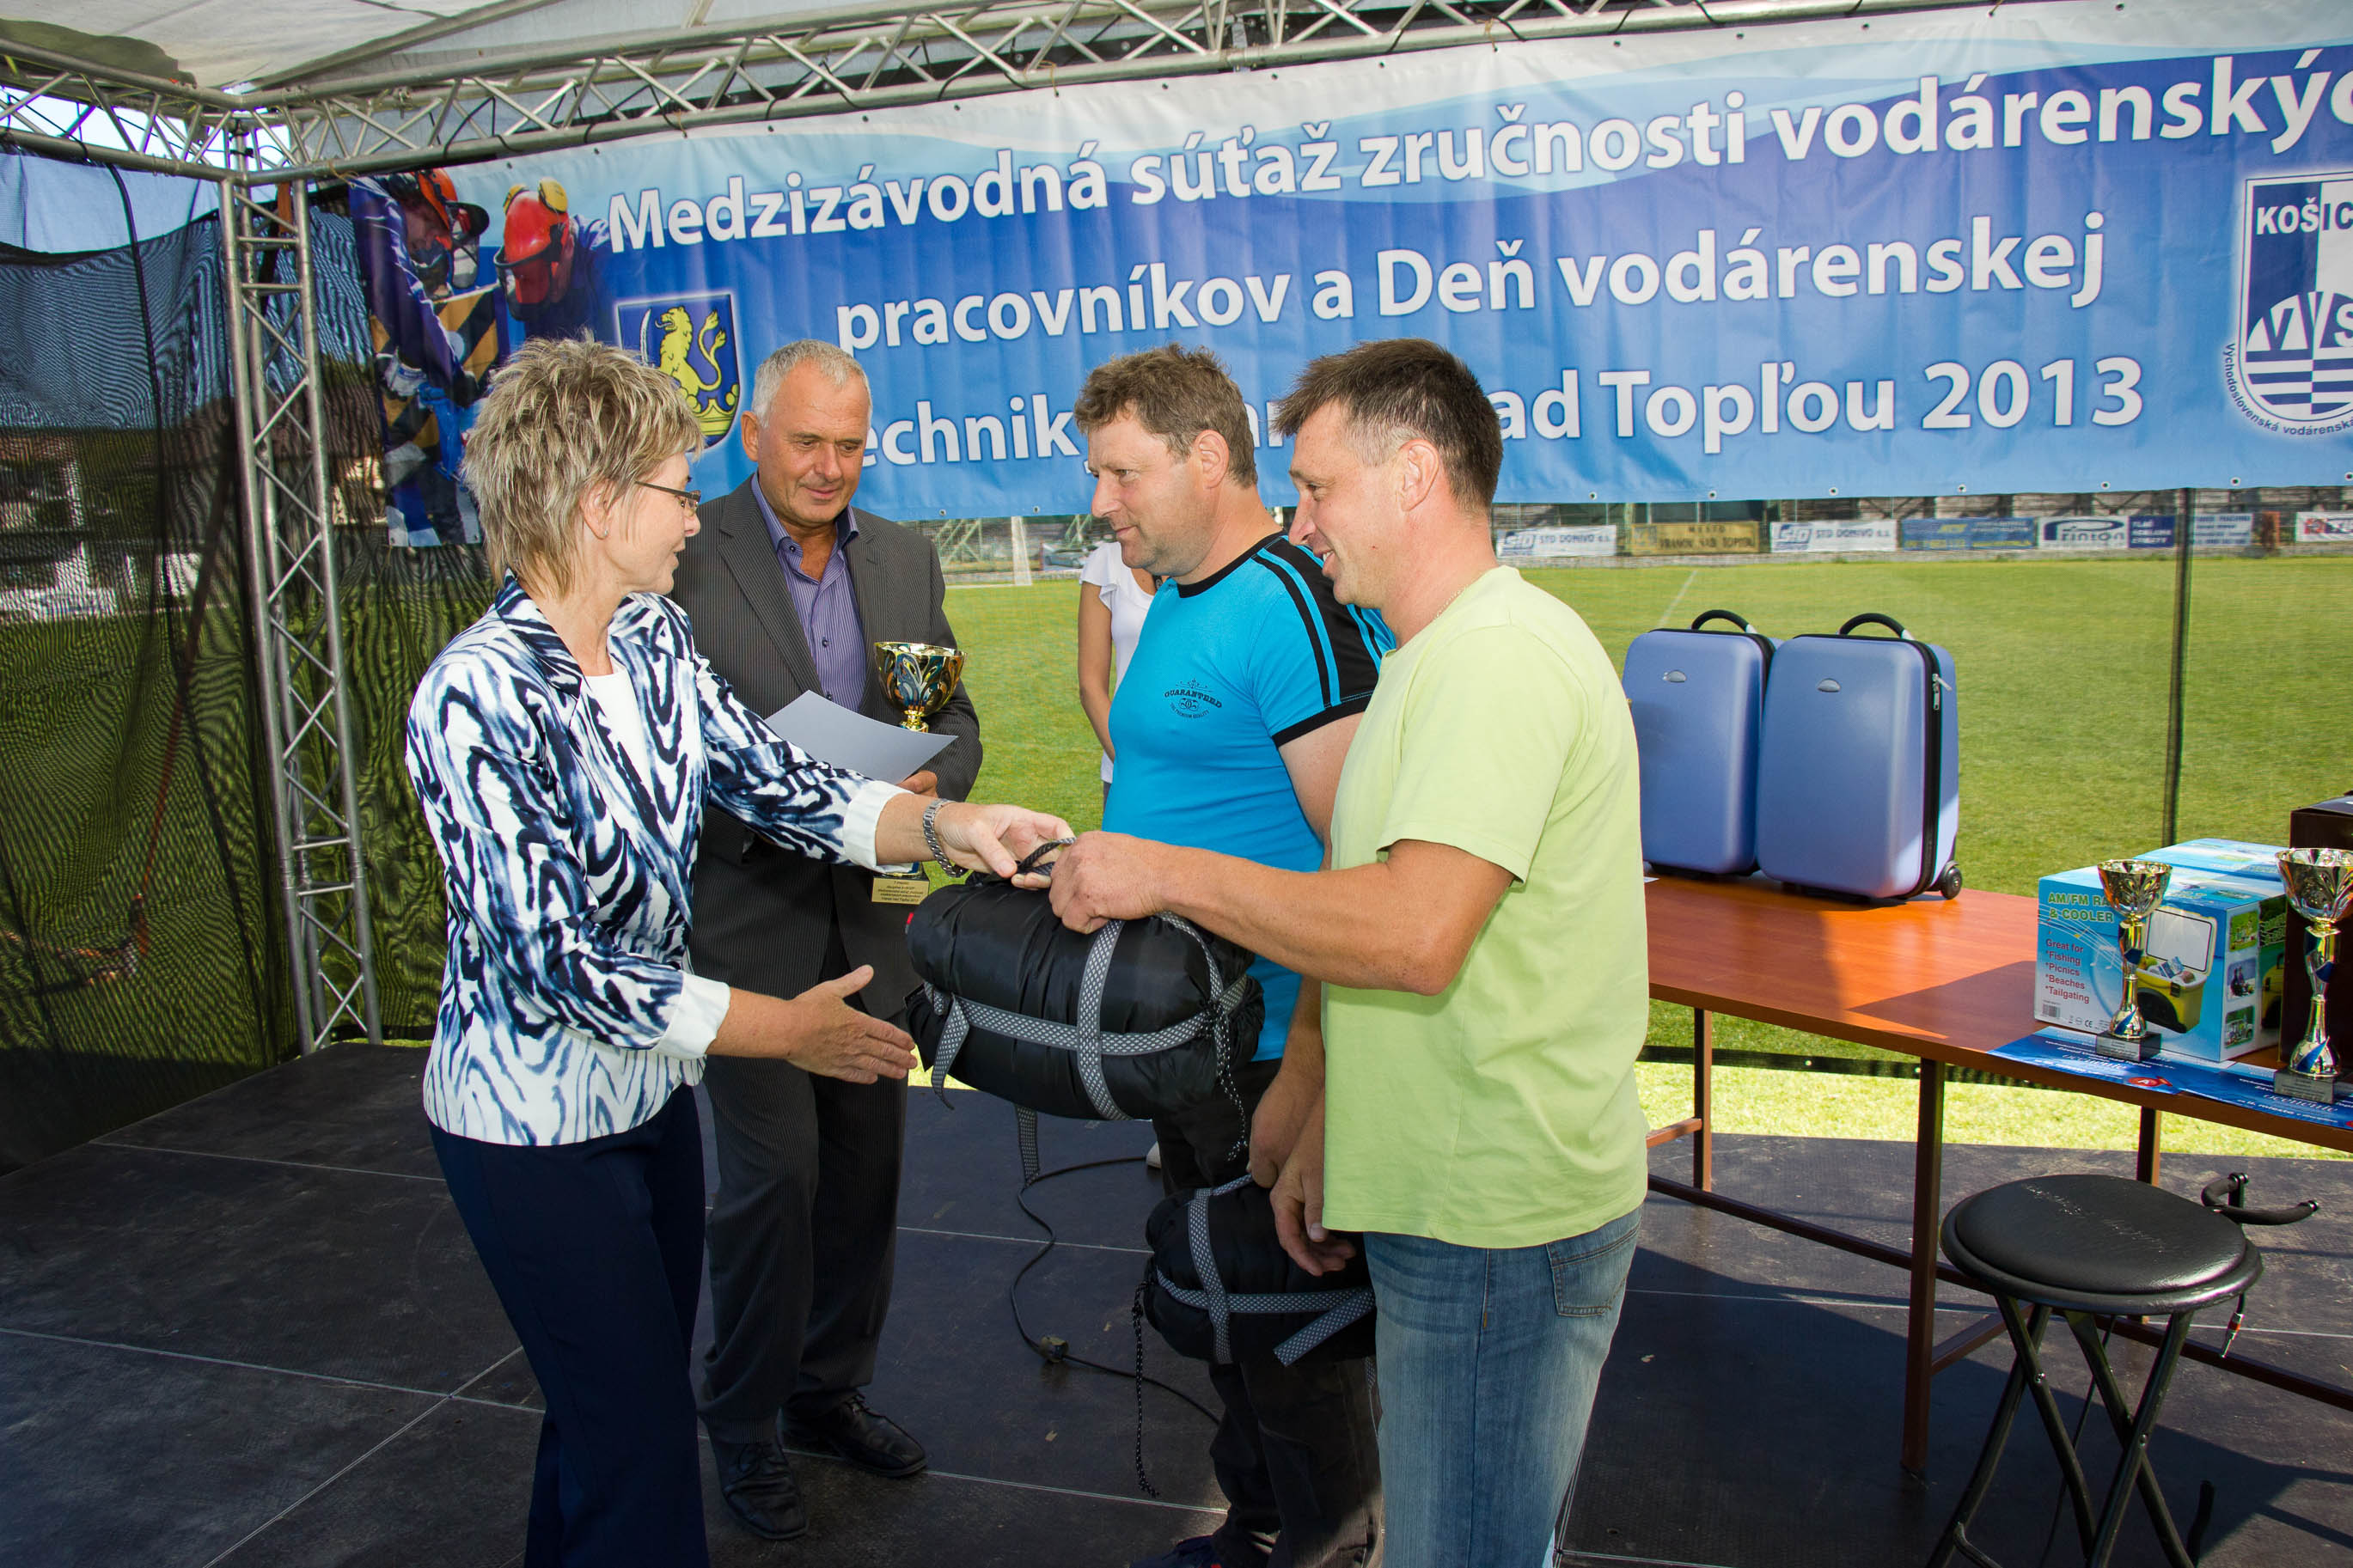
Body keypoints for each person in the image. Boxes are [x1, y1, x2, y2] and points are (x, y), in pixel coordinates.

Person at [403, 337, 1067, 1568]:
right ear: (598, 505)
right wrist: (783, 1029)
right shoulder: (476, 696)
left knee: (607, 1421)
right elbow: (566, 969)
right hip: (532, 1132)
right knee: (640, 1451)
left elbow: (780, 782)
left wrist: (951, 826)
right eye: (672, 489)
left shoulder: (653, 640)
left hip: (643, 1103)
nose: (688, 518)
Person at [1043, 339, 1647, 1568]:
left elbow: (1411, 933)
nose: (1301, 520)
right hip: (1440, 1190)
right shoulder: (1434, 655)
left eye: (1318, 488)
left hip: (1496, 1217)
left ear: (1414, 476)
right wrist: (1326, 1109)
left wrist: (1164, 872)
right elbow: (1363, 901)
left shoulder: (1496, 661)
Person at [1073, 344, 1390, 1568]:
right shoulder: (1176, 592)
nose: (1103, 502)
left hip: (1269, 1045)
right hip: (1185, 1043)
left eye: (1122, 473)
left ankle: (1328, 1548)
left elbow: (1362, 861)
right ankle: (1254, 1527)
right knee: (1226, 1307)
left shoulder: (1292, 600)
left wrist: (1315, 1084)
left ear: (1207, 457)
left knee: (1290, 1327)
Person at [667, 339, 981, 1543]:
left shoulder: (901, 558)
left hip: (869, 922)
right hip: (741, 924)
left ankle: (824, 1391)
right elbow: (665, 747)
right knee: (773, 1179)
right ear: (753, 436)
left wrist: (931, 784)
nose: (828, 466)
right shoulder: (683, 552)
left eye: (850, 444)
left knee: (862, 1172)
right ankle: (741, 1418)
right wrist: (789, 797)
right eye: (806, 441)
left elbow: (948, 716)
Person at [1076, 533, 1158, 797]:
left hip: (1207, 775)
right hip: (1127, 771)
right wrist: (1131, 768)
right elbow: (1090, 687)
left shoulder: (1209, 557)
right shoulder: (1108, 561)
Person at [496, 178, 609, 345]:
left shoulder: (604, 254)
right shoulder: (531, 292)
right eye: (530, 281)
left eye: (543, 278)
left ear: (569, 246)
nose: (543, 289)